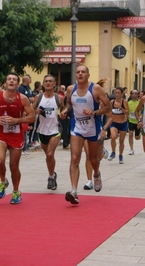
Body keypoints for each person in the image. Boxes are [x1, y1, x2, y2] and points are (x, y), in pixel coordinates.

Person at [61, 65, 110, 204]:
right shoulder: (71, 89)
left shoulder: (95, 89)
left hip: (92, 128)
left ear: (88, 75)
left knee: (93, 159)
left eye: (83, 72)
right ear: (75, 75)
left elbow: (108, 107)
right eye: (78, 72)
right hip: (77, 128)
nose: (80, 74)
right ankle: (74, 191)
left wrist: (94, 112)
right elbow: (69, 105)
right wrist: (65, 111)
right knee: (75, 158)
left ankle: (96, 174)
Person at [0, 72, 35, 204]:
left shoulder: (22, 98)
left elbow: (32, 117)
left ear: (17, 84)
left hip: (16, 135)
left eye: (14, 80)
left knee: (13, 166)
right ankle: (3, 181)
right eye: (9, 79)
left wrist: (17, 120)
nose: (11, 81)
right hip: (1, 133)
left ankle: (16, 192)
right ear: (5, 83)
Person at [32, 74, 65, 190]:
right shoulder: (38, 98)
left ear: (54, 84)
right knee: (48, 156)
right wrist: (35, 111)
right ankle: (53, 173)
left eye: (51, 81)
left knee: (50, 154)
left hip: (56, 129)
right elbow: (31, 111)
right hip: (42, 130)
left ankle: (50, 177)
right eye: (46, 81)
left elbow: (65, 110)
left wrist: (64, 113)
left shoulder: (59, 98)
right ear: (43, 84)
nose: (48, 83)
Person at [108, 87, 129, 164]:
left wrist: (122, 109)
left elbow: (127, 113)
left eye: (118, 93)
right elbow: (109, 111)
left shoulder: (124, 102)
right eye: (115, 93)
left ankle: (120, 155)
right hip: (114, 123)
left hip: (123, 123)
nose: (117, 94)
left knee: (121, 141)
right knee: (113, 136)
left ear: (121, 94)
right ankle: (113, 152)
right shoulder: (112, 102)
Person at [127, 89, 141, 155]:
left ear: (138, 94)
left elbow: (143, 111)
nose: (134, 94)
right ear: (131, 94)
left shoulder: (140, 102)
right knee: (130, 134)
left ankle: (139, 134)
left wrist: (141, 118)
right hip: (131, 121)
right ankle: (131, 149)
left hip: (138, 121)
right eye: (133, 93)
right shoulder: (128, 103)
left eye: (136, 93)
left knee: (137, 138)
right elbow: (127, 112)